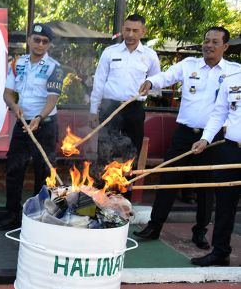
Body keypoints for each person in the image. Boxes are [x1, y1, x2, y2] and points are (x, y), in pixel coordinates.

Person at [134, 27, 238, 249]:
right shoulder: (189, 65)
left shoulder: (233, 73)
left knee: (205, 187)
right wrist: (151, 82)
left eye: (214, 42)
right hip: (184, 134)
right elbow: (166, 76)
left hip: (214, 139)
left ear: (225, 46)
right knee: (168, 178)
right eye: (206, 40)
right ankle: (154, 226)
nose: (208, 45)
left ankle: (199, 232)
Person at [0, 23, 63, 231]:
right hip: (23, 125)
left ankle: (39, 219)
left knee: (44, 174)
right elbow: (7, 93)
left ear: (49, 44)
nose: (40, 44)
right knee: (14, 169)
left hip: (45, 126)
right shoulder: (17, 63)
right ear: (29, 40)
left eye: (45, 41)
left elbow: (52, 98)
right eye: (36, 39)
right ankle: (12, 214)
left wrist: (39, 117)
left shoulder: (54, 67)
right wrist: (13, 106)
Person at [188, 66, 241, 266]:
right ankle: (220, 252)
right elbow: (219, 114)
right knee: (224, 204)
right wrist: (206, 139)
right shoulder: (232, 79)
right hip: (231, 149)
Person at [89, 14, 161, 158]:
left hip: (134, 109)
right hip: (109, 107)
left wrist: (149, 90)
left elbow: (157, 81)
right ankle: (102, 180)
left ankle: (130, 180)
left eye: (135, 30)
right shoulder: (110, 52)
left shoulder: (150, 55)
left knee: (132, 152)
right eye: (127, 29)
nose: (130, 34)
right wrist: (93, 110)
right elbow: (99, 82)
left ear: (143, 31)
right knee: (104, 151)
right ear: (122, 29)